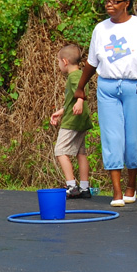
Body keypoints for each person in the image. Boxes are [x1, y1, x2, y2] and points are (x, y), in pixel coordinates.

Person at [71, 0, 137, 207]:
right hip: (108, 87)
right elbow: (92, 62)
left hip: (136, 87)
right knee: (111, 137)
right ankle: (116, 192)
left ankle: (130, 187)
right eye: (107, 1)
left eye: (115, 1)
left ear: (127, 4)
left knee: (133, 137)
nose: (110, 4)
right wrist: (81, 87)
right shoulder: (100, 29)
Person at [47, 43, 93, 199]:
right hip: (80, 119)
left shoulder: (75, 76)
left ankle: (72, 185)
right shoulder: (80, 74)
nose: (59, 65)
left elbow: (81, 91)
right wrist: (60, 111)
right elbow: (73, 98)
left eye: (59, 62)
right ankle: (85, 187)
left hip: (72, 121)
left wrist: (80, 101)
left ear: (65, 61)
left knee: (60, 151)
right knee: (81, 152)